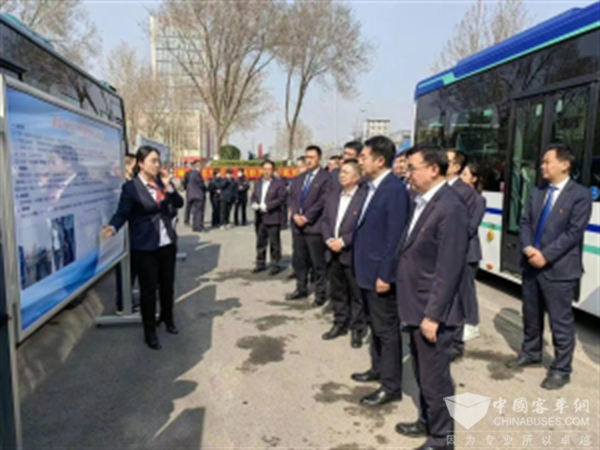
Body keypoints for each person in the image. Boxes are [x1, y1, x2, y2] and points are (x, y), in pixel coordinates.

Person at [395, 144, 468, 450]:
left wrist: (433, 315)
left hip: (433, 311)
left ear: (434, 169)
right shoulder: (422, 201)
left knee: (436, 379)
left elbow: (448, 268)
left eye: (412, 168)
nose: (407, 174)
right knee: (423, 373)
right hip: (415, 305)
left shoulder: (451, 207)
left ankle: (443, 439)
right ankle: (427, 420)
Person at [507, 143, 592, 390]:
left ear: (565, 165)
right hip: (531, 265)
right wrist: (527, 248)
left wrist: (546, 256)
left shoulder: (580, 195)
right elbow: (525, 222)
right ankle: (531, 352)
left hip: (559, 269)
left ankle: (561, 369)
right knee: (531, 314)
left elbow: (574, 232)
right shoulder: (538, 191)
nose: (542, 166)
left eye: (547, 162)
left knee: (560, 322)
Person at [102, 146, 184, 350]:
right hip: (145, 246)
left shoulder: (161, 183)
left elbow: (179, 203)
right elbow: (123, 212)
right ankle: (150, 332)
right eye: (153, 161)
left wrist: (169, 187)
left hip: (167, 243)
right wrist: (113, 227)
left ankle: (167, 318)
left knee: (167, 286)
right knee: (148, 291)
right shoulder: (131, 188)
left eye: (158, 161)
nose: (157, 165)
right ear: (141, 163)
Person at [352, 135, 409, 406]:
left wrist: (386, 275)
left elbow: (394, 238)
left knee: (387, 331)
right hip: (366, 270)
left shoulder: (394, 190)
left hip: (380, 275)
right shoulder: (371, 187)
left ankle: (391, 385)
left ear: (380, 160)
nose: (360, 161)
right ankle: (377, 368)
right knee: (375, 326)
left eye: (364, 157)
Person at [321, 159, 368, 348]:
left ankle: (357, 328)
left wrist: (343, 241)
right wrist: (328, 240)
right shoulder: (333, 196)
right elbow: (325, 221)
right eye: (341, 172)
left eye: (346, 172)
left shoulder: (364, 197)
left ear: (357, 177)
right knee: (337, 291)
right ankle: (340, 323)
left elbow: (364, 226)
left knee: (356, 293)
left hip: (352, 252)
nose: (341, 175)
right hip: (332, 250)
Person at [286, 145, 331, 306]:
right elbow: (292, 198)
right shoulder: (299, 178)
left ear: (319, 159)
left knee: (318, 263)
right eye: (306, 157)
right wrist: (295, 214)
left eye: (312, 157)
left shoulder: (326, 178)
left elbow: (323, 201)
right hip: (298, 227)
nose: (308, 160)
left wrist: (306, 217)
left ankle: (320, 293)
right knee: (300, 260)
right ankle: (301, 288)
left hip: (314, 227)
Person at [445, 148, 477, 362]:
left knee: (456, 299)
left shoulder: (466, 193)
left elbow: (467, 228)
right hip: (437, 255)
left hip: (456, 254)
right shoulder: (438, 187)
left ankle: (456, 343)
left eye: (446, 160)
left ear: (456, 167)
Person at [459, 163, 487, 342]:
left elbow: (471, 227)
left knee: (467, 289)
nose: (461, 177)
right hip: (456, 250)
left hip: (469, 252)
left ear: (474, 179)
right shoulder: (456, 196)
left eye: (465, 174)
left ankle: (472, 323)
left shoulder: (478, 200)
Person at [251, 160, 287, 275]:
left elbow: (281, 199)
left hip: (273, 217)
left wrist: (268, 206)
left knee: (274, 243)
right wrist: (254, 203)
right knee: (260, 242)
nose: (266, 172)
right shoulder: (258, 183)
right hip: (260, 217)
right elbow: (254, 196)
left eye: (269, 169)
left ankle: (275, 265)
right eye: (265, 169)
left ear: (273, 171)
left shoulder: (279, 184)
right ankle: (260, 263)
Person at [187, 161, 207, 232]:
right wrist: (205, 188)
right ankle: (199, 227)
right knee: (199, 212)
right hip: (198, 195)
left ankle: (195, 226)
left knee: (195, 212)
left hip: (191, 195)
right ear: (198, 166)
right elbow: (201, 184)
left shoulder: (191, 174)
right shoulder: (197, 174)